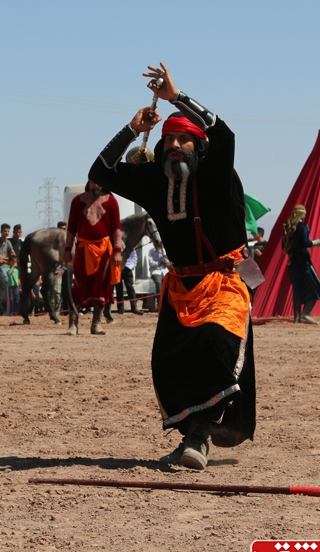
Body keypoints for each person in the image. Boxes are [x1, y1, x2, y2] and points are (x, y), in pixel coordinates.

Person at [87, 62, 256, 470]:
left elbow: (223, 132)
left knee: (214, 346)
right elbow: (99, 172)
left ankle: (198, 437)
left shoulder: (216, 175)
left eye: (185, 139)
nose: (176, 144)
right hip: (180, 289)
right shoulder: (154, 182)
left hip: (225, 282)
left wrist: (176, 97)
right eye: (170, 139)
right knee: (168, 363)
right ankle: (193, 433)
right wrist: (131, 129)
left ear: (199, 149)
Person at [62, 180, 122, 335]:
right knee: (79, 284)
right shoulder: (77, 201)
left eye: (99, 183)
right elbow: (71, 228)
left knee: (102, 286)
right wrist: (67, 250)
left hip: (104, 251)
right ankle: (73, 324)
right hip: (83, 249)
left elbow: (116, 228)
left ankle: (96, 323)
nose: (96, 186)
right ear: (89, 183)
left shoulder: (111, 201)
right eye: (94, 183)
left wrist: (117, 251)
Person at [282, 205, 320, 324]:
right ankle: (306, 314)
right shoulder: (303, 226)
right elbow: (306, 243)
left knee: (297, 289)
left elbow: (284, 247)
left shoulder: (286, 227)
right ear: (302, 214)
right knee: (315, 287)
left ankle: (297, 318)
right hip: (304, 263)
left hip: (292, 262)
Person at [116, 248, 140, 314]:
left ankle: (134, 308)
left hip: (128, 268)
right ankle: (120, 310)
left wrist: (130, 267)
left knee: (130, 288)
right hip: (118, 268)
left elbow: (134, 258)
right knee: (119, 289)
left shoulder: (131, 247)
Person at [147, 245, 170, 313]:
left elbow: (166, 262)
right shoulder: (151, 251)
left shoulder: (164, 251)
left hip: (164, 271)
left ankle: (166, 304)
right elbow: (151, 263)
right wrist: (160, 263)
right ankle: (159, 304)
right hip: (155, 271)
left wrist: (163, 251)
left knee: (168, 283)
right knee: (158, 283)